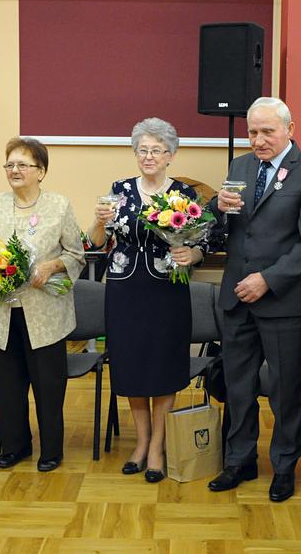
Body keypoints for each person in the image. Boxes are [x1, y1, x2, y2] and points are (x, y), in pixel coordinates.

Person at [207, 97, 301, 502]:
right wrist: (217, 207)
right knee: (238, 385)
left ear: (290, 129)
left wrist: (267, 279)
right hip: (236, 298)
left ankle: (284, 465)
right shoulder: (240, 167)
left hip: (284, 300)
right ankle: (239, 459)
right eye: (253, 132)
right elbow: (226, 224)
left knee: (285, 389)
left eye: (268, 131)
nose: (259, 140)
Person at [87, 117, 204, 483]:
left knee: (163, 365)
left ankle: (158, 446)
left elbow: (201, 244)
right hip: (124, 290)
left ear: (170, 155)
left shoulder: (185, 194)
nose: (148, 156)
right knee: (133, 366)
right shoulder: (118, 190)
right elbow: (95, 241)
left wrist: (192, 255)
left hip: (167, 291)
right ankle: (141, 443)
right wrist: (98, 221)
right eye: (142, 150)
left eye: (156, 150)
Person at [0, 137, 84, 471]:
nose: (14, 170)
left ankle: (51, 450)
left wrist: (52, 266)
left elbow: (76, 254)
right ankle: (15, 446)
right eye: (9, 164)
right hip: (4, 311)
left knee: (48, 387)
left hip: (45, 314)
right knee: (6, 386)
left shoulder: (59, 206)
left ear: (41, 171)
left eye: (23, 165)